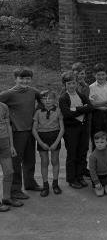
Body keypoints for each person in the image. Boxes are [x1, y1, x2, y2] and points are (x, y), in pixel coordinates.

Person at [0, 67, 45, 197]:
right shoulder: (9, 94)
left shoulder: (32, 91)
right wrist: (4, 119)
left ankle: (30, 183)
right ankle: (15, 190)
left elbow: (44, 98)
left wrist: (39, 111)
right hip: (17, 132)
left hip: (31, 130)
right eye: (21, 78)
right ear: (15, 79)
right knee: (16, 162)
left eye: (27, 78)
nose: (25, 81)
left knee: (30, 159)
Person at [58, 71, 93, 190]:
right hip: (71, 130)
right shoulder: (63, 98)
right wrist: (82, 108)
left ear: (77, 84)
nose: (72, 86)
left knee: (82, 152)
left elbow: (90, 107)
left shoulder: (80, 95)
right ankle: (72, 179)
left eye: (73, 83)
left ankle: (80, 175)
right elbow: (67, 114)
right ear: (65, 85)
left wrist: (76, 109)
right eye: (69, 83)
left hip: (83, 128)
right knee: (72, 154)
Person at [32, 90, 64, 197]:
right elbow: (34, 130)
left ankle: (55, 184)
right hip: (42, 138)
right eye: (44, 98)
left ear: (55, 100)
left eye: (50, 98)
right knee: (44, 162)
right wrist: (40, 143)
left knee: (55, 161)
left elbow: (62, 129)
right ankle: (45, 185)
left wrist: (56, 142)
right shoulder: (38, 112)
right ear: (41, 100)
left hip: (54, 137)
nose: (47, 100)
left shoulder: (58, 111)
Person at [0, 99, 22, 210]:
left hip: (4, 143)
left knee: (9, 171)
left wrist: (11, 145)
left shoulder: (3, 106)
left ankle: (6, 198)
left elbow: (8, 126)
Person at [88, 132, 107, 197]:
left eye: (102, 142)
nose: (99, 144)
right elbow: (92, 170)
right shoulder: (93, 156)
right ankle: (97, 186)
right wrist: (96, 182)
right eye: (97, 142)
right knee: (100, 194)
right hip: (98, 176)